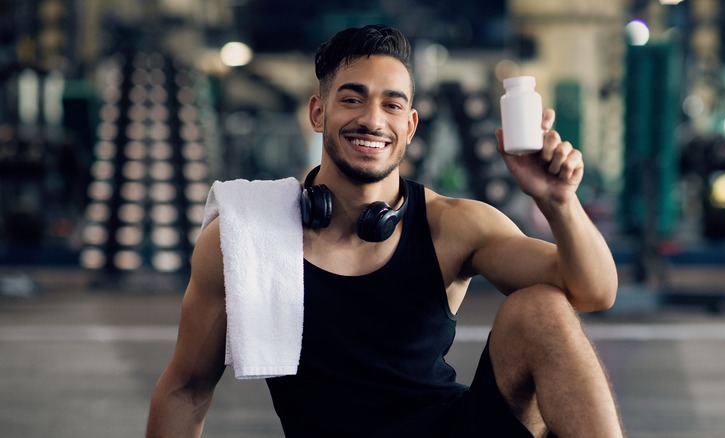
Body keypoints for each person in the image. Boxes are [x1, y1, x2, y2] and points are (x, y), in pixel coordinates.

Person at [147, 24, 623, 437]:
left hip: (456, 430)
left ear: (411, 125)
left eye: (392, 105)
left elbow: (594, 291)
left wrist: (558, 201)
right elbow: (186, 390)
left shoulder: (453, 225)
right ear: (318, 113)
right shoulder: (248, 234)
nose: (372, 120)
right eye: (351, 99)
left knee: (541, 306)